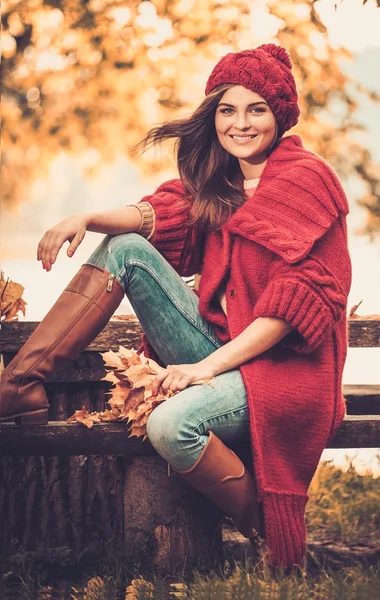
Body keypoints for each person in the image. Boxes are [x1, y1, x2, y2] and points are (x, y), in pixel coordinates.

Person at [0, 44, 352, 569]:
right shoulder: (219, 182)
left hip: (284, 372)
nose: (240, 123)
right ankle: (20, 384)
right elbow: (157, 218)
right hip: (221, 351)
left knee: (171, 426)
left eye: (257, 109)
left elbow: (288, 311)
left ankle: (272, 538)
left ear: (280, 114)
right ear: (213, 114)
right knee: (124, 248)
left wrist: (200, 369)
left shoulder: (306, 181)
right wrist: (86, 217)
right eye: (228, 109)